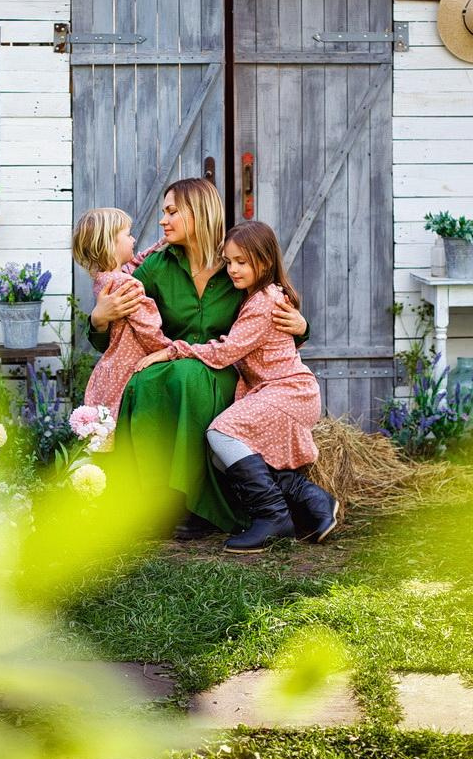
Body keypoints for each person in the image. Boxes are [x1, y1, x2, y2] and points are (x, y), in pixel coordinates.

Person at [87, 178, 308, 536]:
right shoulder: (157, 266)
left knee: (187, 377)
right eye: (164, 212)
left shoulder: (235, 262)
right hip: (166, 366)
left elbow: (270, 318)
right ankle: (150, 501)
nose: (163, 220)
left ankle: (196, 505)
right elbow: (115, 338)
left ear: (198, 213)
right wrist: (99, 318)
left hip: (222, 370)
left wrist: (301, 327)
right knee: (143, 380)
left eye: (172, 211)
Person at [136, 220, 338, 553]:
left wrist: (172, 350)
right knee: (222, 457)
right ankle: (313, 499)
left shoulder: (263, 303)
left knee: (221, 434)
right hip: (275, 391)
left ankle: (273, 516)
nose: (232, 269)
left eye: (241, 262)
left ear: (265, 261)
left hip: (288, 392)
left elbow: (226, 351)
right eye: (228, 261)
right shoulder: (259, 297)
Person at [72, 207, 168, 422]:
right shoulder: (127, 285)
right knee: (121, 424)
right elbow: (148, 329)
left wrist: (160, 244)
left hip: (111, 366)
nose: (133, 239)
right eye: (128, 234)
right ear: (110, 243)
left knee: (104, 427)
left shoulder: (105, 278)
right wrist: (171, 351)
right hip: (128, 366)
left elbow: (136, 261)